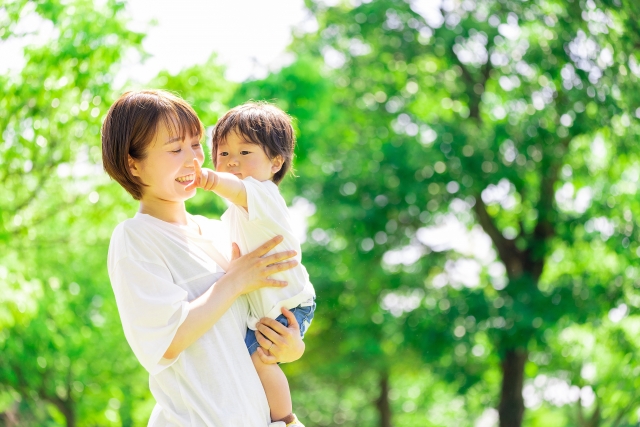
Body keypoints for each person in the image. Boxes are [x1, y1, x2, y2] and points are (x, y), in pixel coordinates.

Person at [102, 89, 305, 426]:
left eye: (195, 144)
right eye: (174, 149)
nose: (192, 159)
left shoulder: (221, 230)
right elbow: (167, 340)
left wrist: (291, 348)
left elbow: (254, 324)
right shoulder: (135, 237)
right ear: (133, 164)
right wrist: (235, 280)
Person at [185, 102, 315, 426]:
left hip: (289, 306)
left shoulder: (264, 196)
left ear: (275, 162)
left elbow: (237, 187)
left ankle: (285, 420)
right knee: (242, 365)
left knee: (260, 361)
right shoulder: (233, 215)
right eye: (224, 154)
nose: (232, 163)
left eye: (245, 153)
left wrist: (208, 179)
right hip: (267, 311)